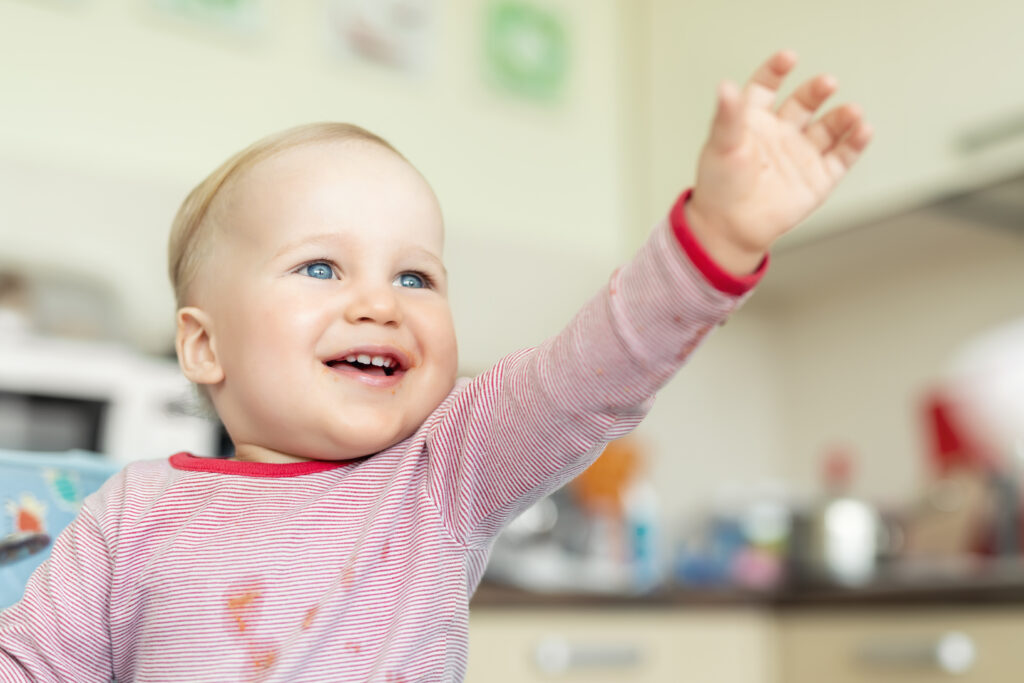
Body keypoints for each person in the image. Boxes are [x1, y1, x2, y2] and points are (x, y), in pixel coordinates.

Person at [0, 50, 871, 681]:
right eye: (320, 267)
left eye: (415, 275)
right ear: (204, 347)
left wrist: (714, 239)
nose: (381, 302)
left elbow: (591, 373)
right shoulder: (132, 512)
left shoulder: (439, 474)